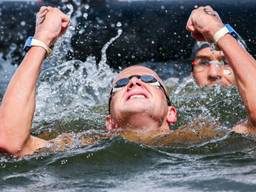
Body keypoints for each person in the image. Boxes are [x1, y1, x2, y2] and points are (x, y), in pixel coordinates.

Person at [0, 5, 256, 157]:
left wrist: (218, 31)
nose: (134, 83)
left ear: (171, 113)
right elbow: (10, 140)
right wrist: (42, 40)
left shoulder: (201, 138)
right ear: (109, 122)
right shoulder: (85, 144)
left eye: (147, 79)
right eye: (120, 85)